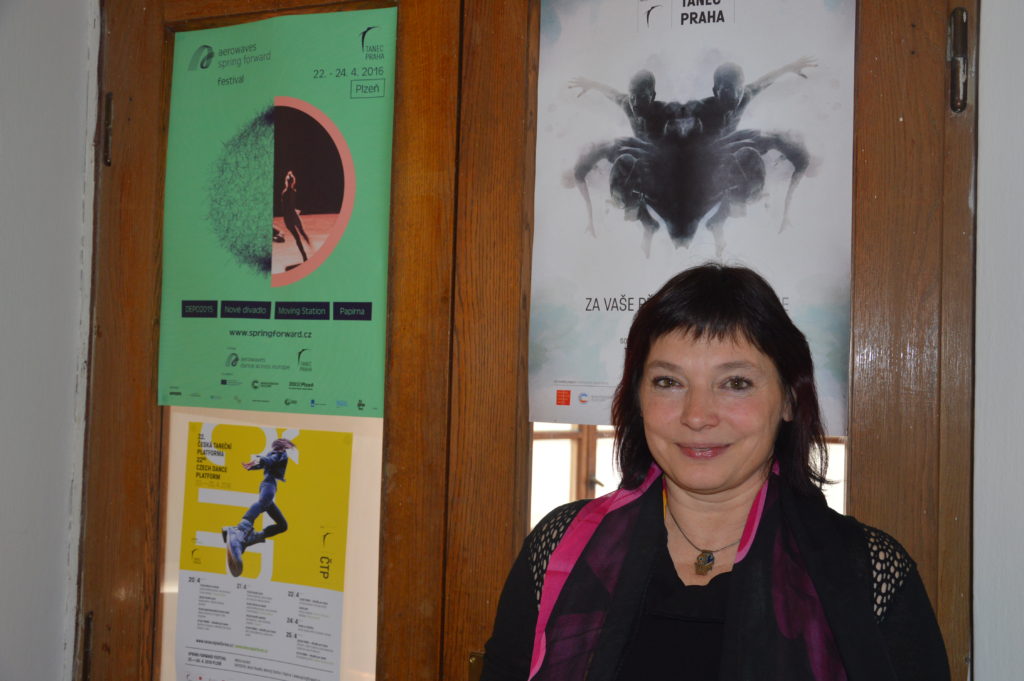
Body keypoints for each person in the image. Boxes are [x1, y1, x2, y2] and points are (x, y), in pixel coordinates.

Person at [481, 264, 949, 680]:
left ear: (789, 399)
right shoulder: (561, 547)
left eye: (735, 383)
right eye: (668, 382)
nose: (697, 415)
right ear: (638, 398)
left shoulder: (869, 572)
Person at [222, 438, 293, 577]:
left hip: (267, 484)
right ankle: (241, 529)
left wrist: (254, 465)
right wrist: (259, 460)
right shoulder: (280, 454)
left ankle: (251, 538)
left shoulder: (272, 454)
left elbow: (265, 462)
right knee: (263, 502)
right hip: (269, 485)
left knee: (282, 525)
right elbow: (269, 460)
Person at [280, 170, 311, 267]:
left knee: (298, 236)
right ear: (293, 182)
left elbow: (285, 208)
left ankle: (305, 255)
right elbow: (289, 207)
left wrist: (293, 211)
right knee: (301, 233)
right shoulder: (291, 192)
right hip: (292, 216)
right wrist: (294, 211)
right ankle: (308, 252)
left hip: (289, 217)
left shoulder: (285, 193)